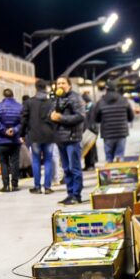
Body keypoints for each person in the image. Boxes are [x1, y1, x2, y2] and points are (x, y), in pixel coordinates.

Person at [50, 76, 86, 205]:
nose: (60, 85)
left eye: (63, 83)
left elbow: (81, 116)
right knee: (66, 168)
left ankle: (77, 195)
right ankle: (70, 194)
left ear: (69, 85)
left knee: (74, 168)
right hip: (60, 139)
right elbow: (52, 115)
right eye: (58, 83)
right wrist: (52, 116)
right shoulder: (57, 98)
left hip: (72, 138)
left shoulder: (75, 98)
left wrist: (61, 118)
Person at [21, 79, 56, 194]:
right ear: (46, 88)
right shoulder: (51, 102)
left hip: (34, 135)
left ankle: (37, 187)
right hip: (49, 135)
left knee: (36, 161)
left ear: (36, 88)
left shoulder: (29, 102)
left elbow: (24, 119)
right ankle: (47, 187)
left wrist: (22, 134)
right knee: (48, 161)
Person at [0, 88, 23, 192]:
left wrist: (4, 130)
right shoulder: (19, 107)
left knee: (4, 162)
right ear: (13, 95)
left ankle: (5, 185)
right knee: (15, 162)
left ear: (3, 95)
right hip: (15, 140)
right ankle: (15, 185)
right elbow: (23, 121)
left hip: (2, 140)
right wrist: (14, 130)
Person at [92, 85, 135, 163]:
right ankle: (118, 173)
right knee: (120, 156)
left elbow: (96, 118)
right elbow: (131, 117)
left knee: (109, 158)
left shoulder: (101, 101)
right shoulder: (124, 100)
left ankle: (109, 174)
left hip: (107, 133)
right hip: (121, 132)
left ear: (106, 90)